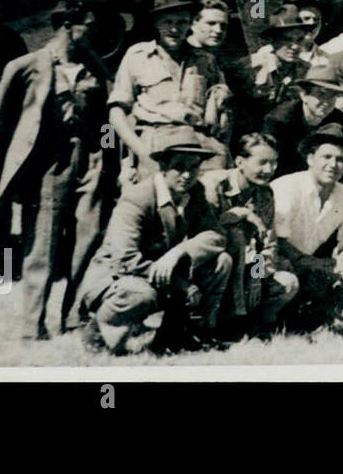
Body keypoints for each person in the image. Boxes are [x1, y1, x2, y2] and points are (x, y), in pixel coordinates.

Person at [0, 0, 115, 339]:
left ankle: (74, 319)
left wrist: (107, 158)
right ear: (68, 25)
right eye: (89, 26)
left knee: (89, 237)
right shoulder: (25, 66)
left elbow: (107, 120)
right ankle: (32, 327)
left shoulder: (94, 66)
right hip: (49, 165)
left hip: (89, 161)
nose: (95, 33)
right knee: (43, 246)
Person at [76, 127, 233, 354]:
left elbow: (216, 235)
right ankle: (99, 333)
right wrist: (181, 283)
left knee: (222, 261)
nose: (187, 175)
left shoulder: (195, 192)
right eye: (179, 166)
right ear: (163, 166)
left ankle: (188, 334)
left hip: (160, 273)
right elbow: (125, 259)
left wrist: (179, 252)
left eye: (193, 167)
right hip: (117, 277)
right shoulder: (137, 198)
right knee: (141, 294)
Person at [108, 0, 232, 182]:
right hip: (157, 146)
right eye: (168, 22)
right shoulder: (137, 55)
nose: (175, 29)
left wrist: (220, 142)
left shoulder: (206, 60)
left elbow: (223, 104)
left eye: (182, 22)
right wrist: (139, 153)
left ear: (190, 23)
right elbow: (116, 113)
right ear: (157, 22)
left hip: (201, 147)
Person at [271, 125, 343, 332]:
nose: (333, 165)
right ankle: (258, 324)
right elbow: (276, 240)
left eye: (340, 160)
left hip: (312, 267)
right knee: (259, 278)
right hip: (268, 261)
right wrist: (310, 263)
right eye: (326, 157)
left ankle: (334, 325)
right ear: (310, 159)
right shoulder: (287, 186)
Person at [200, 133, 299, 338]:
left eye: (274, 163)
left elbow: (268, 243)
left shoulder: (264, 194)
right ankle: (212, 326)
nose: (269, 170)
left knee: (287, 281)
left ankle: (253, 325)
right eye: (262, 162)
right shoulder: (214, 185)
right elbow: (204, 232)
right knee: (235, 238)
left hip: (247, 271)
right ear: (239, 161)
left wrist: (258, 271)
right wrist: (240, 215)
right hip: (214, 266)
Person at [227, 4, 312, 140]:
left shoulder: (307, 70)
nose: (295, 46)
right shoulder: (248, 67)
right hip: (246, 137)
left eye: (299, 40)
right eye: (287, 40)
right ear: (273, 40)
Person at [261, 62, 343, 176]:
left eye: (332, 96)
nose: (326, 102)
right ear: (304, 95)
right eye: (321, 94)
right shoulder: (279, 121)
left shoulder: (339, 120)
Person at [287, 0, 328, 67]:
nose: (312, 23)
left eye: (317, 20)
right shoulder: (275, 53)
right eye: (306, 18)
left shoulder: (326, 59)